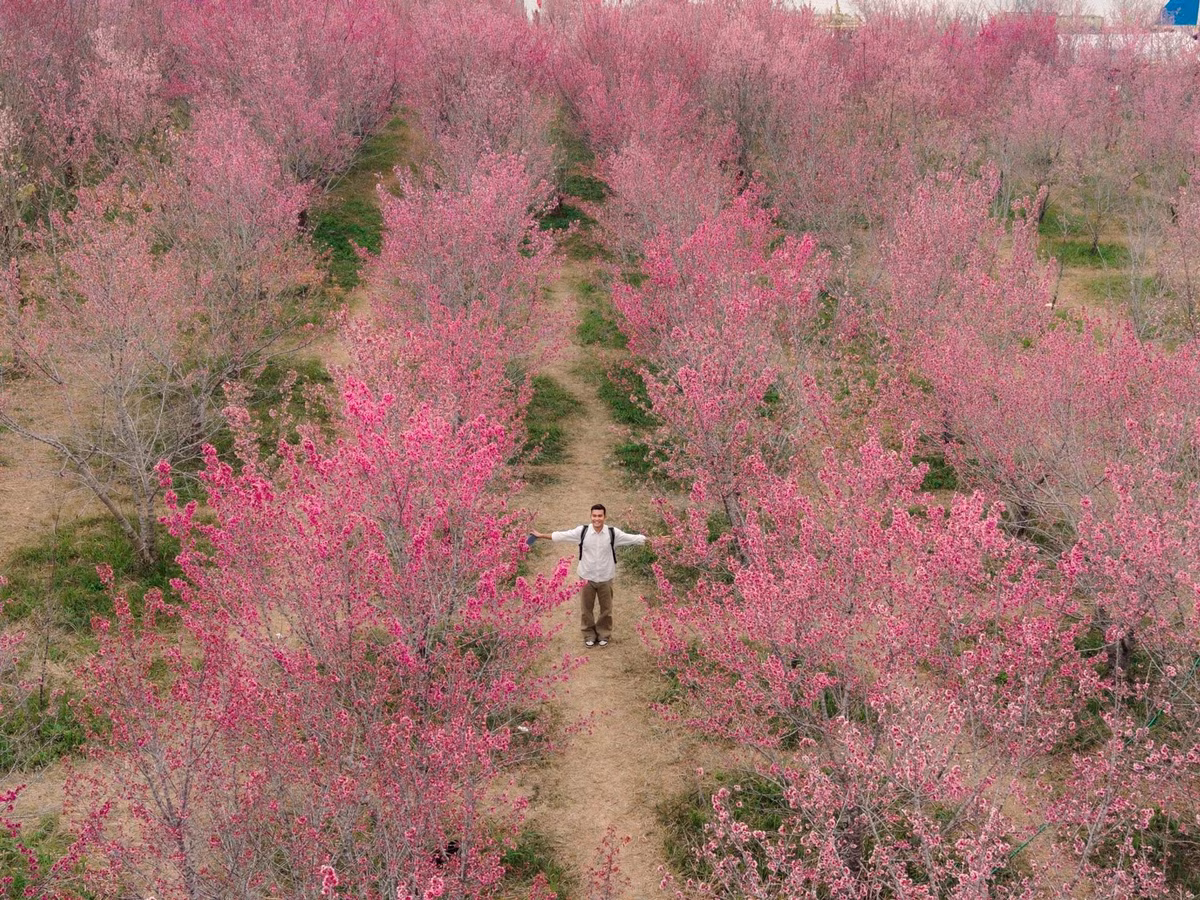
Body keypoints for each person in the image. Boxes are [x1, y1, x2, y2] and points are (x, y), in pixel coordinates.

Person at [530, 504, 647, 648]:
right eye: (594, 516)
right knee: (586, 608)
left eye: (600, 516)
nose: (597, 519)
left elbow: (634, 538)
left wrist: (656, 540)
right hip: (586, 577)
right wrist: (541, 535)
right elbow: (562, 535)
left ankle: (603, 634)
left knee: (606, 609)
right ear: (591, 516)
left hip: (605, 577)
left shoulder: (613, 533)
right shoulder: (583, 531)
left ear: (605, 517)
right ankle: (589, 634)